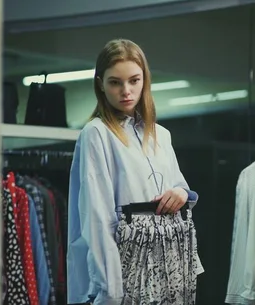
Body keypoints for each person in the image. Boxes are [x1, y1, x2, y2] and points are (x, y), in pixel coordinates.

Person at [67, 39, 203, 305]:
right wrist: (110, 292)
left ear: (145, 81)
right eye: (115, 82)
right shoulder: (96, 134)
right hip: (126, 266)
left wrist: (182, 194)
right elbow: (97, 217)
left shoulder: (161, 135)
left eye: (134, 80)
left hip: (170, 261)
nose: (126, 91)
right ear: (100, 84)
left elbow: (182, 190)